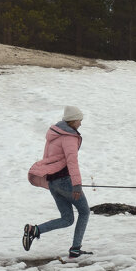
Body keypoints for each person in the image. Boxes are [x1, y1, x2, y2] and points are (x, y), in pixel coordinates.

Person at [23, 105, 92, 259]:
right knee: (84, 212)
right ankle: (75, 249)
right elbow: (72, 162)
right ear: (73, 120)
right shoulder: (69, 137)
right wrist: (76, 185)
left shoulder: (55, 134)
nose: (81, 123)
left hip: (53, 182)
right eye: (80, 120)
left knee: (67, 218)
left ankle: (34, 231)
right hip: (66, 181)